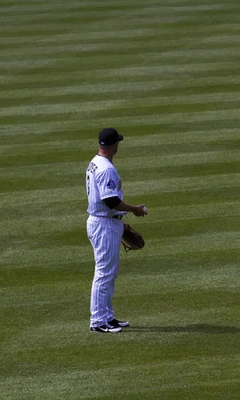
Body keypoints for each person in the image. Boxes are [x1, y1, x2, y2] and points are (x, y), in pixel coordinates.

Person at [85, 127, 147, 333]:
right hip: (104, 223)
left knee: (109, 272)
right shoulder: (106, 169)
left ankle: (107, 316)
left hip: (105, 221)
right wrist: (135, 210)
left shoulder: (95, 162)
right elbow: (111, 201)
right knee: (104, 272)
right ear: (114, 146)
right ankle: (98, 321)